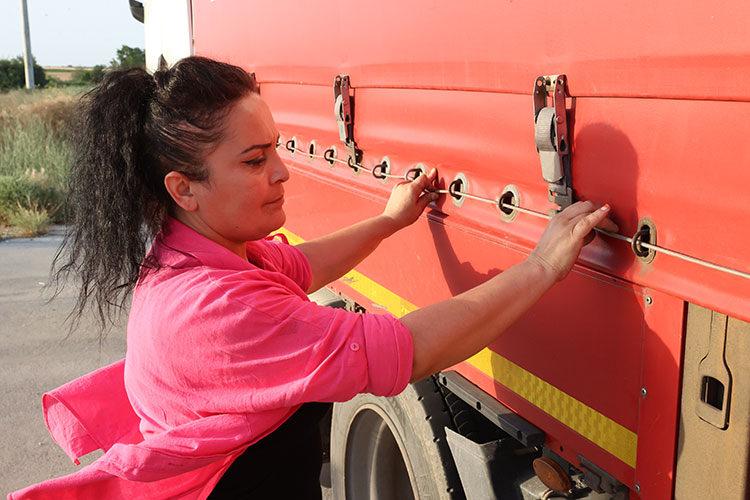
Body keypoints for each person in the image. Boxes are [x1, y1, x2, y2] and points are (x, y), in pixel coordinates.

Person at [10, 56, 616, 499]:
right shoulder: (213, 310)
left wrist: (388, 221)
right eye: (254, 160)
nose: (282, 173)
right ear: (184, 189)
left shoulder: (196, 255)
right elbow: (409, 351)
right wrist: (542, 265)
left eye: (275, 148)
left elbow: (301, 266)